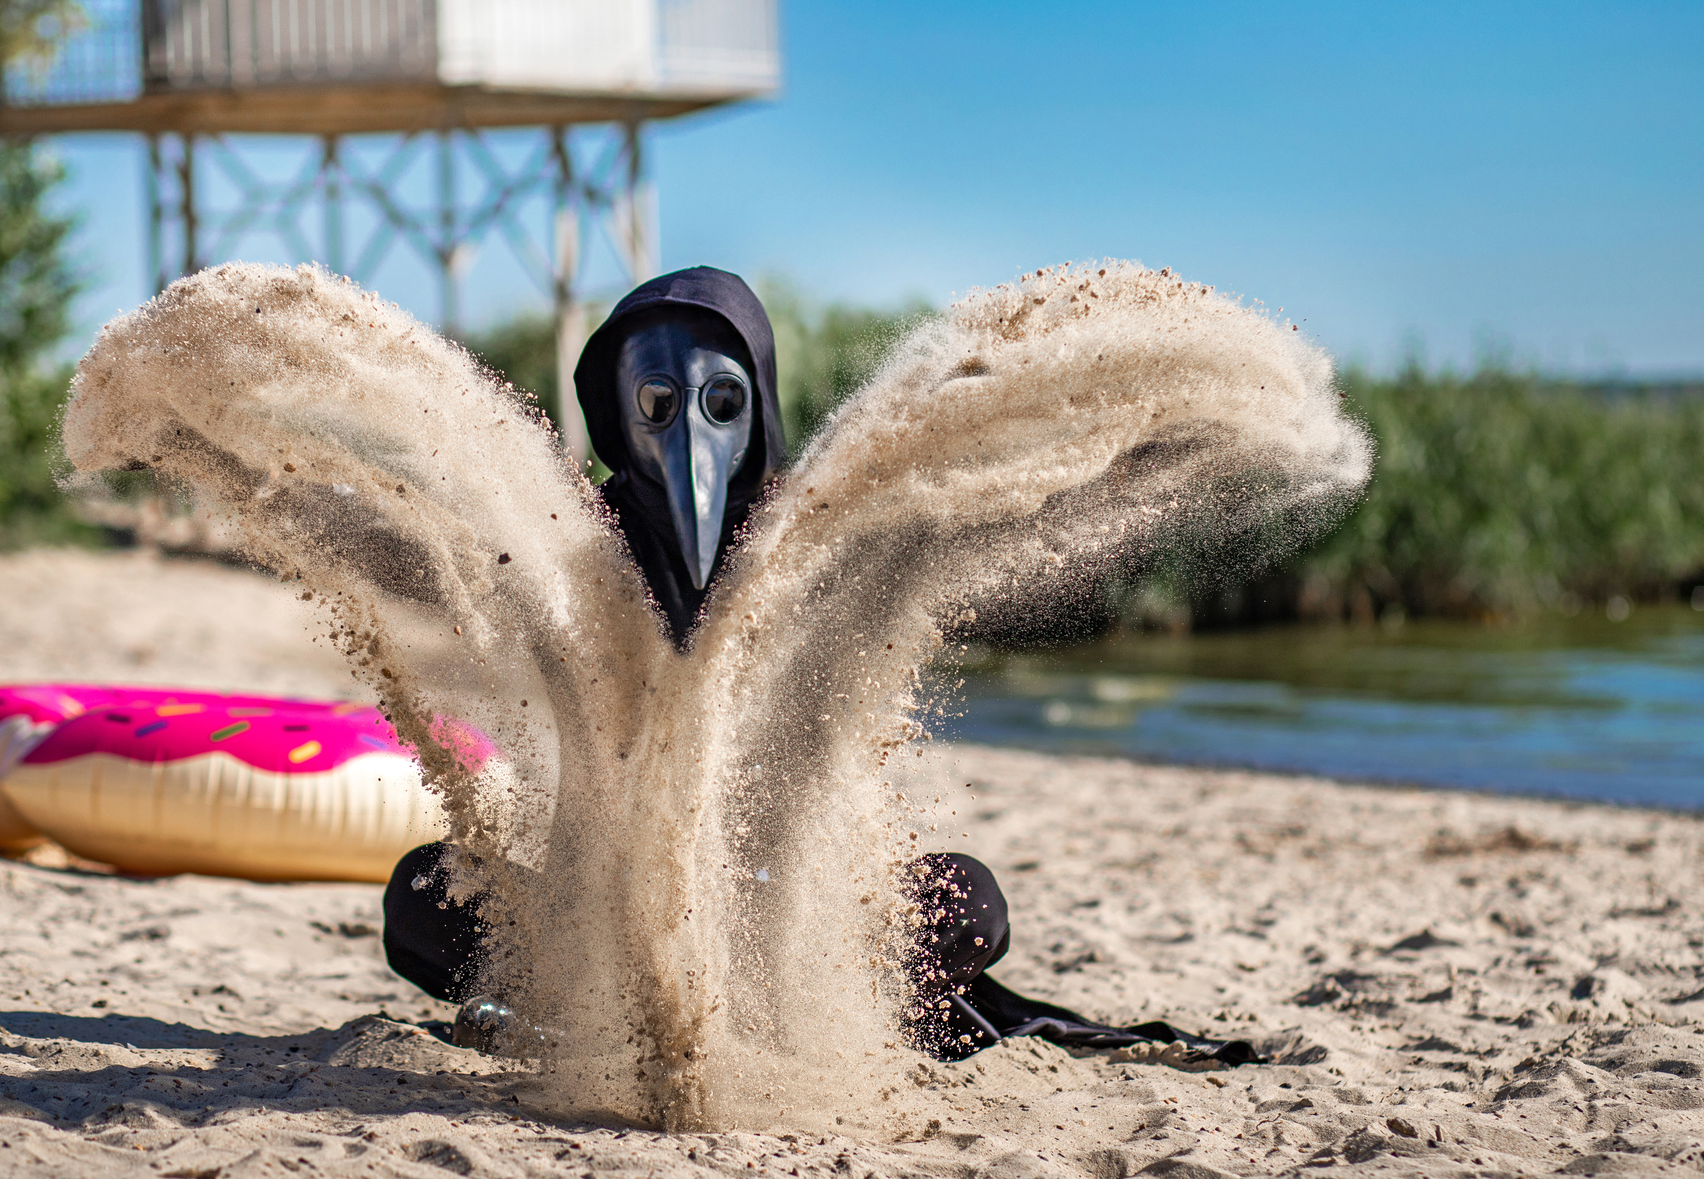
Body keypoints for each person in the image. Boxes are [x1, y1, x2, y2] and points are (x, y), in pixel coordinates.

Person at [381, 267, 1255, 1064]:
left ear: (757, 401)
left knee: (969, 903)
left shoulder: (815, 545)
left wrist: (1140, 443)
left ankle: (830, 1012)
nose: (689, 434)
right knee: (423, 892)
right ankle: (569, 1015)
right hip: (607, 922)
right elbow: (454, 560)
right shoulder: (573, 554)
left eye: (720, 402)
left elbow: (974, 511)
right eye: (656, 401)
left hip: (795, 919)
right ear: (615, 412)